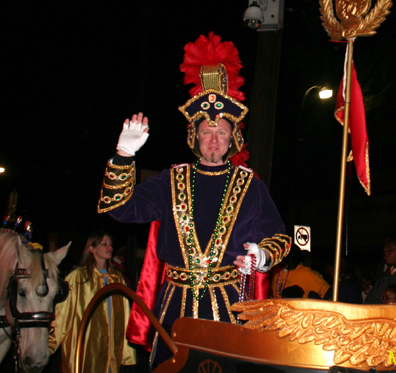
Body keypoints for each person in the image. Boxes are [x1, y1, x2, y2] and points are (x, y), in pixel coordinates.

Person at [98, 33, 290, 364]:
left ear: (233, 139)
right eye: (206, 132)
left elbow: (281, 238)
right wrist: (123, 156)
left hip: (229, 306)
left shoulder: (250, 185)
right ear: (195, 137)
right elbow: (119, 208)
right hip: (174, 305)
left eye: (221, 133)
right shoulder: (170, 180)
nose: (213, 140)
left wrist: (263, 256)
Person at [49, 231, 135, 373]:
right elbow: (62, 314)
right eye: (104, 244)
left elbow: (125, 316)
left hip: (111, 349)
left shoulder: (117, 278)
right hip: (86, 347)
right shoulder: (77, 278)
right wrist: (50, 344)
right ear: (92, 249)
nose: (110, 248)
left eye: (110, 244)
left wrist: (127, 352)